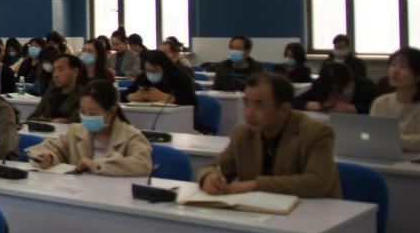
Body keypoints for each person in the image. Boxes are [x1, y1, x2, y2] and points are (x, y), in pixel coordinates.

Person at [198, 73, 341, 198]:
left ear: (284, 109)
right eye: (247, 104)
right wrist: (210, 177)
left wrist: (256, 185)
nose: (249, 113)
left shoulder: (316, 132)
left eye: (259, 106)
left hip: (313, 213)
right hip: (259, 212)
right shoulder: (243, 133)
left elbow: (317, 182)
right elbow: (215, 167)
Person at [27, 80, 153, 177]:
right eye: (83, 112)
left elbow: (143, 164)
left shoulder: (131, 136)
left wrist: (95, 164)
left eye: (92, 113)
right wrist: (48, 157)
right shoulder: (76, 131)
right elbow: (50, 147)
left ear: (111, 112)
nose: (86, 117)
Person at [371, 47, 420, 152]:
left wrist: (392, 140)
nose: (395, 71)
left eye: (403, 66)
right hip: (385, 158)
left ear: (418, 75)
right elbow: (373, 136)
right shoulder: (381, 103)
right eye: (393, 65)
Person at [293, 61, 376, 115]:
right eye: (331, 92)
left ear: (350, 83)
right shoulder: (320, 85)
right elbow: (293, 102)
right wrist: (309, 105)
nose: (335, 96)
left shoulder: (366, 86)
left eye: (339, 90)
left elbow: (380, 108)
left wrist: (355, 109)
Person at [124, 50, 199, 109]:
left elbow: (192, 101)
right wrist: (132, 96)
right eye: (148, 71)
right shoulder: (143, 77)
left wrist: (166, 98)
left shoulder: (179, 77)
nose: (151, 74)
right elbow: (123, 95)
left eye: (155, 71)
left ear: (164, 67)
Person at [28, 54, 87, 123]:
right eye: (54, 70)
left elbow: (75, 122)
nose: (55, 75)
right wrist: (51, 121)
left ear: (75, 72)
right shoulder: (51, 93)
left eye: (61, 70)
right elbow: (31, 118)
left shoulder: (83, 97)